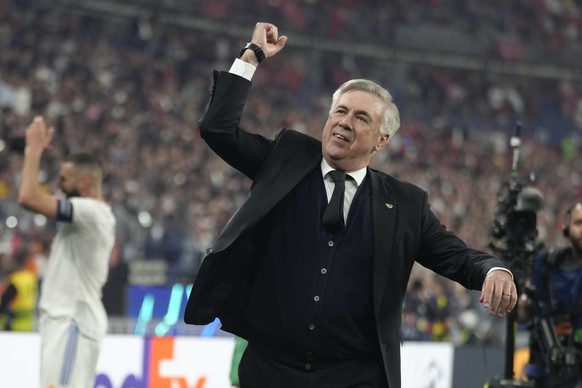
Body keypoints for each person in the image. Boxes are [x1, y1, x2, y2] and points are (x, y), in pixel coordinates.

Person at [184, 22, 517, 388]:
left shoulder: (404, 203)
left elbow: (456, 255)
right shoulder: (286, 157)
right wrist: (251, 56)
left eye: (361, 118)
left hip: (355, 376)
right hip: (270, 368)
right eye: (340, 111)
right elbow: (217, 129)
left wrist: (493, 270)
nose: (345, 122)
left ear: (381, 139)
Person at [18, 116, 117, 388]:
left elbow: (28, 197)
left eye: (63, 179)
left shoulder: (92, 212)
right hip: (64, 322)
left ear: (84, 183)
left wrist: (33, 151)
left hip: (73, 321)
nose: (58, 185)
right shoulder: (84, 216)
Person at [518, 201, 582, 387]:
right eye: (579, 223)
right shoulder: (546, 264)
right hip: (544, 368)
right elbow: (524, 314)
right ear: (566, 227)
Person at [0, 240, 38, 331]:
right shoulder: (31, 277)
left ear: (14, 263)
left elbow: (4, 304)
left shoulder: (14, 281)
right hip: (29, 322)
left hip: (15, 323)